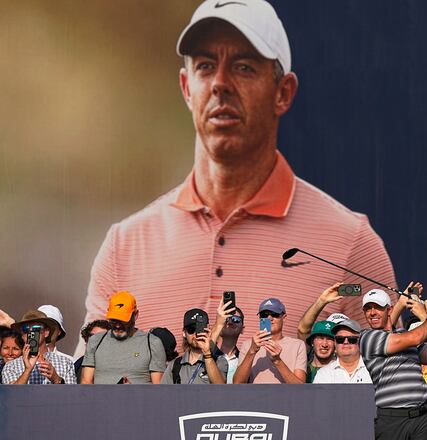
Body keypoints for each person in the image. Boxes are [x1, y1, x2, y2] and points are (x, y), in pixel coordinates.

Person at [79, 0, 397, 356]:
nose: (220, 83)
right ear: (186, 88)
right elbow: (87, 388)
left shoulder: (351, 246)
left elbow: (392, 381)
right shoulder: (124, 249)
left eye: (243, 67)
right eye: (205, 66)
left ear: (283, 93)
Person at [359, 288, 427, 440]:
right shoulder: (367, 337)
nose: (372, 313)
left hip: (423, 417)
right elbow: (415, 338)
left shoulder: (404, 333)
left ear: (389, 310)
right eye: (368, 309)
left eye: (378, 308)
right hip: (392, 421)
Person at [81, 291, 167, 384]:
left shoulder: (152, 343)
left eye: (123, 320)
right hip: (100, 394)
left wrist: (133, 390)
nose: (117, 326)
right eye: (113, 320)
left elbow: (159, 388)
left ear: (135, 315)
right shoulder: (95, 341)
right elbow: (86, 383)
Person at [233, 298, 307, 383]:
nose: (269, 318)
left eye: (275, 314)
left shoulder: (298, 345)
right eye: (264, 315)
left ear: (284, 318)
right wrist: (252, 351)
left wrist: (277, 361)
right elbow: (237, 383)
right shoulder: (248, 345)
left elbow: (300, 387)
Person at [2, 310, 77, 384]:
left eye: (36, 328)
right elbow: (12, 391)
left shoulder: (65, 363)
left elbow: (72, 391)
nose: (31, 332)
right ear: (22, 335)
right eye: (26, 329)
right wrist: (27, 371)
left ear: (46, 332)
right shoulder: (11, 366)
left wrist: (56, 379)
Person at [163, 309, 228, 384]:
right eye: (191, 329)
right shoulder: (174, 365)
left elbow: (220, 387)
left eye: (200, 329)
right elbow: (162, 390)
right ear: (184, 333)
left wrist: (207, 354)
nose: (196, 334)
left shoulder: (219, 361)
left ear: (208, 330)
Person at [313, 319, 372, 384]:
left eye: (352, 339)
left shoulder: (375, 369)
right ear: (335, 343)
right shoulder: (324, 374)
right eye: (340, 339)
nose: (345, 342)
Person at [209, 301, 243, 383]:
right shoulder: (206, 353)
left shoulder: (244, 359)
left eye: (236, 319)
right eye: (226, 318)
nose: (230, 322)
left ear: (242, 328)